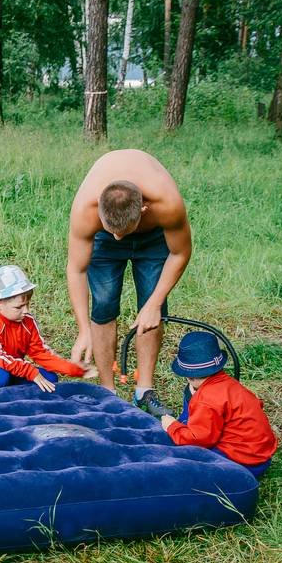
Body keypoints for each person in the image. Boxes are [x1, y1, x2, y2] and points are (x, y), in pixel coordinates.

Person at [67, 148, 192, 417]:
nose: (119, 239)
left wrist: (154, 303)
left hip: (153, 238)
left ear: (144, 210)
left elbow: (180, 252)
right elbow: (76, 269)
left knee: (152, 308)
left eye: (124, 233)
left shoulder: (166, 203)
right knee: (103, 304)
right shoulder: (86, 209)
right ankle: (107, 392)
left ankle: (144, 392)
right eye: (114, 232)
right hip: (104, 236)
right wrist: (82, 330)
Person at [0, 265, 97, 392]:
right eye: (19, 307)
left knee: (50, 378)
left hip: (11, 370)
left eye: (27, 304)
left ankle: (12, 396)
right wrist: (31, 372)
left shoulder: (28, 321)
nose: (26, 310)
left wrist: (74, 369)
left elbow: (41, 353)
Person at [161, 332, 277, 478]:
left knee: (184, 461)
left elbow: (199, 440)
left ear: (189, 376)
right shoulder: (230, 384)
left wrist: (172, 426)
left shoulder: (206, 399)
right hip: (262, 456)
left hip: (243, 462)